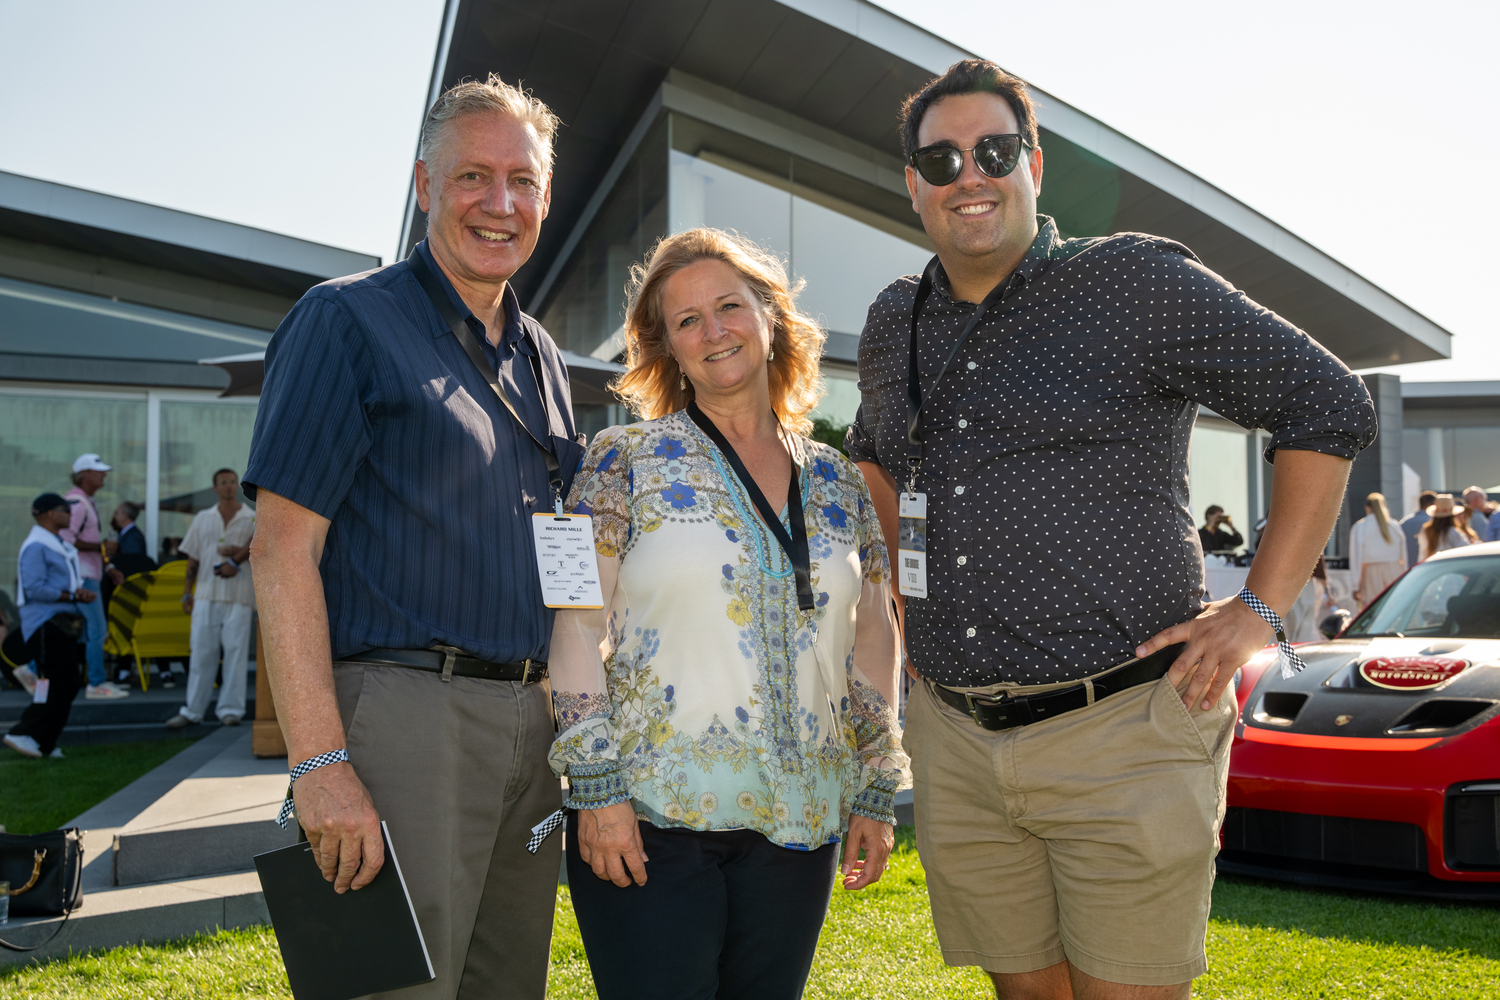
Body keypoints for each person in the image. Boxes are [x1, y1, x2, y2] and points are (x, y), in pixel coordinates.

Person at [845, 60, 1375, 998]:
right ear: (913, 183)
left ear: (1034, 166)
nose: (969, 173)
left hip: (1120, 729)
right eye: (941, 158)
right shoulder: (896, 318)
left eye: (993, 150)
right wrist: (903, 595)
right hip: (960, 743)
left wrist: (1260, 605)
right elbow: (878, 458)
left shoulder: (1129, 281)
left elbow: (1325, 402)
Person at [245, 75, 584, 1000]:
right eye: (474, 175)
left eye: (522, 181)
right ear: (426, 187)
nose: (500, 203)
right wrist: (319, 763)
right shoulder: (344, 319)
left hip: (531, 726)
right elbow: (281, 553)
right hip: (401, 717)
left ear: (546, 200)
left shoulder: (541, 353)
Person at [549, 229, 908, 1000]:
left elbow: (875, 636)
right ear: (667, 350)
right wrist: (596, 789)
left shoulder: (840, 480)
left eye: (729, 307)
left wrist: (878, 783)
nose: (713, 332)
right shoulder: (617, 459)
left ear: (771, 317)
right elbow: (575, 627)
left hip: (799, 827)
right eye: (686, 321)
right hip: (647, 819)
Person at [164, 469, 256, 728]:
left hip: (239, 594)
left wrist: (238, 555)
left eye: (232, 481)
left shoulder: (252, 519)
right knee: (202, 652)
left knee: (236, 654)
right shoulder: (203, 518)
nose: (228, 486)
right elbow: (192, 557)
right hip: (205, 593)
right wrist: (186, 592)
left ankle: (231, 710)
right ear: (215, 487)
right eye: (223, 482)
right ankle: (192, 710)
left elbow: (261, 550)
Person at [3, 495, 94, 758]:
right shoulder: (36, 546)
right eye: (66, 510)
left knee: (61, 683)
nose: (70, 514)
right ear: (50, 514)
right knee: (60, 683)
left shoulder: (55, 544)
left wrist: (75, 595)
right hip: (45, 624)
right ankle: (23, 732)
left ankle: (43, 742)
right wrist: (74, 595)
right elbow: (34, 589)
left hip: (58, 624)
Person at [61, 453, 128, 700]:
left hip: (84, 574)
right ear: (83, 474)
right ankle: (97, 683)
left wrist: (109, 568)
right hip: (83, 577)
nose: (104, 474)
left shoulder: (82, 501)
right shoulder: (77, 503)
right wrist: (101, 548)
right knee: (97, 629)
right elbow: (66, 540)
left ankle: (34, 671)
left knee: (76, 629)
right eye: (97, 470)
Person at [1348, 492, 1406, 610]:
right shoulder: (1394, 525)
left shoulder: (1360, 527)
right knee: (1393, 608)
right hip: (1394, 570)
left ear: (1367, 507)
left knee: (1372, 611)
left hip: (1370, 572)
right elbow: (1403, 555)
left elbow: (1356, 557)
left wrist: (1355, 585)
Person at [1418, 494, 1479, 561]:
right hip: (1448, 567)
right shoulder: (1452, 532)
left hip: (1431, 567)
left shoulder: (1426, 530)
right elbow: (1466, 551)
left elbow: (1422, 555)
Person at [1399, 490, 1437, 569]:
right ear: (1432, 504)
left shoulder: (1404, 522)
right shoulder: (1433, 522)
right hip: (1430, 568)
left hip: (1408, 570)